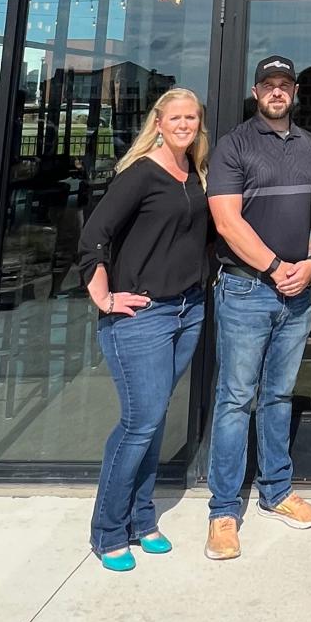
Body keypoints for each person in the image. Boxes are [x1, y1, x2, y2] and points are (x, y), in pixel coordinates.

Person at [78, 87, 211, 573]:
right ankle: (108, 530)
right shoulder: (140, 174)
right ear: (158, 122)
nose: (183, 125)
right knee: (139, 424)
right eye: (175, 117)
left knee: (152, 421)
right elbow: (93, 239)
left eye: (191, 118)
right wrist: (106, 297)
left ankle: (142, 518)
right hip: (142, 318)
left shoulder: (192, 173)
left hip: (187, 311)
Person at [204, 55, 311, 560]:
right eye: (268, 85)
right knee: (235, 398)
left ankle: (276, 490)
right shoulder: (233, 145)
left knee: (277, 396)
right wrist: (277, 268)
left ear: (294, 91)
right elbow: (227, 222)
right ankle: (224, 511)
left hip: (298, 291)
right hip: (247, 290)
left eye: (284, 85)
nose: (277, 92)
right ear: (256, 92)